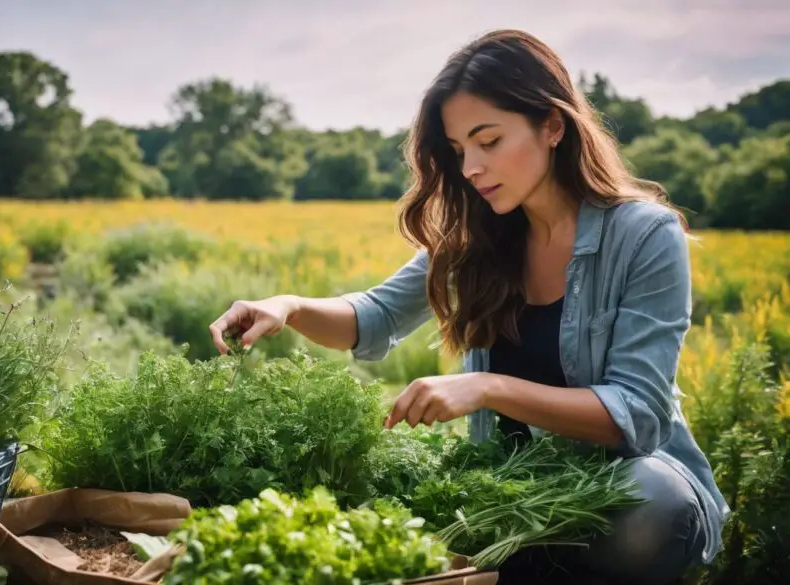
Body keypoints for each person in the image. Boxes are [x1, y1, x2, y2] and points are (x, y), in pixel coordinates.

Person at [207, 28, 729, 585]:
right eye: (458, 151)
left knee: (648, 505)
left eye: (489, 141)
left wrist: (484, 388)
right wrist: (286, 306)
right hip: (510, 497)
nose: (470, 168)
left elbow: (638, 414)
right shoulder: (474, 238)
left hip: (625, 491)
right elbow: (374, 317)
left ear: (553, 125)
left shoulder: (645, 235)